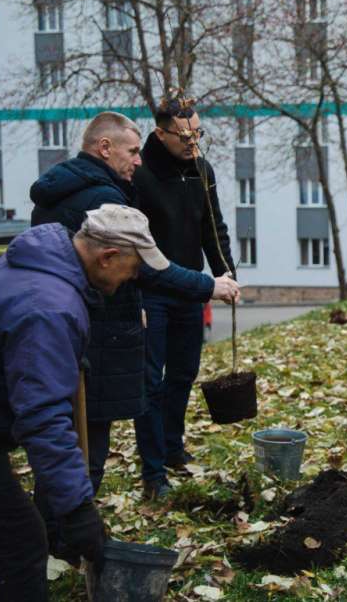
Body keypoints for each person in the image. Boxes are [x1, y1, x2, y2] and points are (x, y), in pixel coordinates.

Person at [0, 205, 164, 600]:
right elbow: (43, 418)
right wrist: (75, 509)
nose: (134, 278)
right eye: (134, 268)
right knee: (23, 543)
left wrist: (62, 357)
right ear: (107, 257)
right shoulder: (49, 308)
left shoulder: (41, 262)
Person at [29, 111, 240, 496]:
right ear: (105, 148)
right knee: (93, 434)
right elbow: (146, 265)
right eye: (131, 150)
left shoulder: (73, 189)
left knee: (75, 430)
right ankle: (81, 521)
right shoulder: (108, 196)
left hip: (74, 316)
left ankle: (66, 525)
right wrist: (206, 286)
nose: (137, 158)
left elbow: (211, 228)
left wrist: (219, 275)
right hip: (104, 317)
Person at [132, 95, 236, 499]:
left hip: (191, 291)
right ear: (160, 133)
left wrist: (225, 274)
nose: (193, 143)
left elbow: (214, 227)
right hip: (152, 293)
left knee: (182, 375)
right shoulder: (140, 177)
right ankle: (153, 472)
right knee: (150, 384)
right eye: (184, 136)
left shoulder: (201, 170)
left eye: (198, 134)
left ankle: (173, 448)